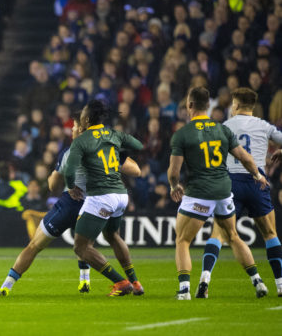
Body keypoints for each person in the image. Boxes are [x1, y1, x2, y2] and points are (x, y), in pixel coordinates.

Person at [0, 113, 143, 296]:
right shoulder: (108, 148)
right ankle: (94, 280)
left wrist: (58, 178)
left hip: (72, 204)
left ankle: (6, 286)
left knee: (35, 245)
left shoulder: (71, 151)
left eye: (73, 127)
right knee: (98, 241)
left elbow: (53, 186)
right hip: (97, 204)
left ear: (81, 130)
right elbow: (136, 170)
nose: (71, 130)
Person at [168, 87, 269, 300]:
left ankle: (185, 290)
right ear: (208, 106)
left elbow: (174, 172)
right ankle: (257, 281)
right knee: (233, 236)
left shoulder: (183, 134)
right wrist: (258, 176)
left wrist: (174, 186)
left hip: (199, 193)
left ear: (190, 105)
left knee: (183, 240)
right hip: (224, 191)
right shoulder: (223, 130)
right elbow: (245, 157)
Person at [195, 88, 282, 298]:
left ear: (235, 105)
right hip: (256, 181)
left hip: (230, 182)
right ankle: (280, 285)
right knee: (270, 233)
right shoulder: (264, 126)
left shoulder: (225, 126)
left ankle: (205, 278)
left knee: (219, 233)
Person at [61, 100, 144, 297]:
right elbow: (138, 145)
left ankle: (121, 282)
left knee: (81, 247)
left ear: (87, 119)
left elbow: (69, 173)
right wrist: (114, 148)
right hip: (121, 195)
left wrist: (71, 187)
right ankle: (136, 282)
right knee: (112, 235)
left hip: (101, 197)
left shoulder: (81, 141)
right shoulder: (113, 134)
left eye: (82, 117)